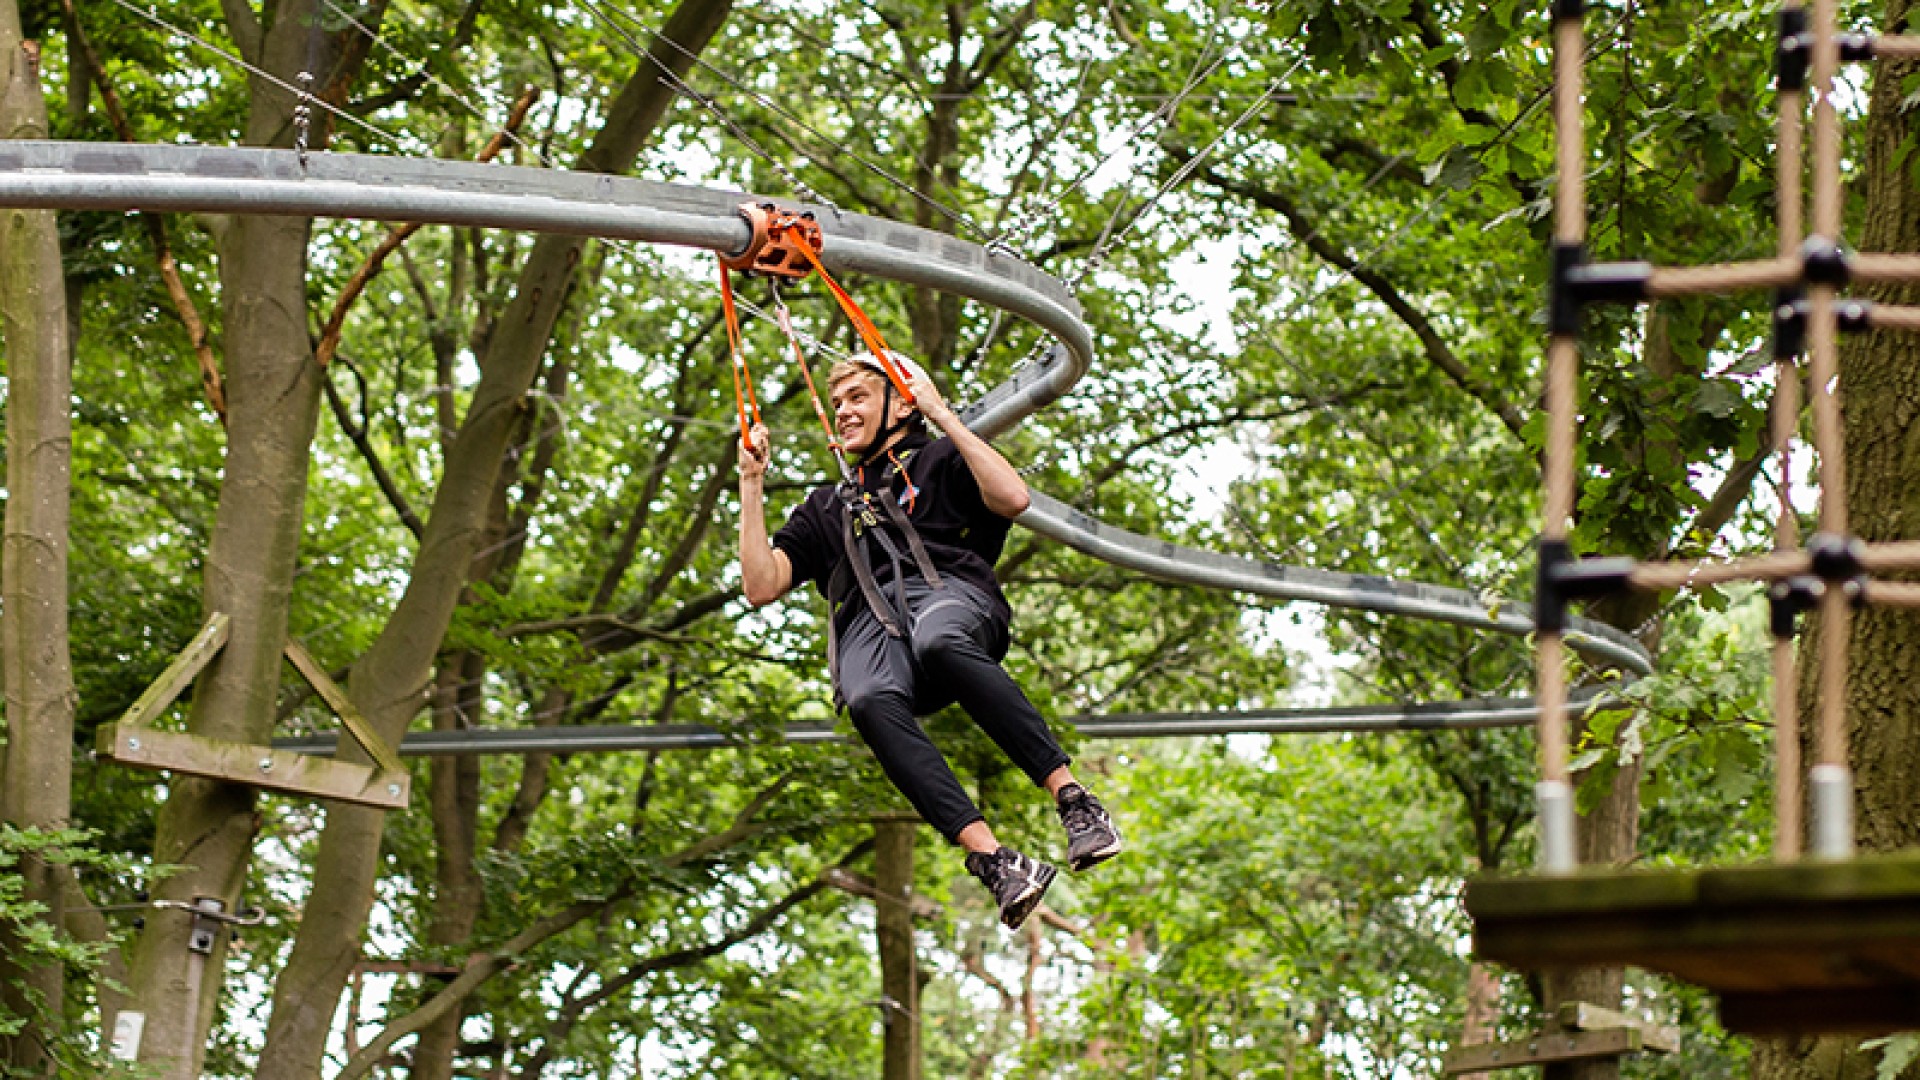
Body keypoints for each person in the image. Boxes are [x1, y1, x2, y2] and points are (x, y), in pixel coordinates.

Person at [737, 350, 1122, 930]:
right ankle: (995, 860)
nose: (843, 411)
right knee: (866, 698)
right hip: (870, 623)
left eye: (858, 397)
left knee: (938, 639)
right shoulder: (826, 507)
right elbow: (761, 585)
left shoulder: (941, 459)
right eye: (838, 402)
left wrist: (941, 413)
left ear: (899, 405)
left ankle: (1074, 799)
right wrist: (751, 482)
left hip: (947, 593)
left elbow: (1013, 499)